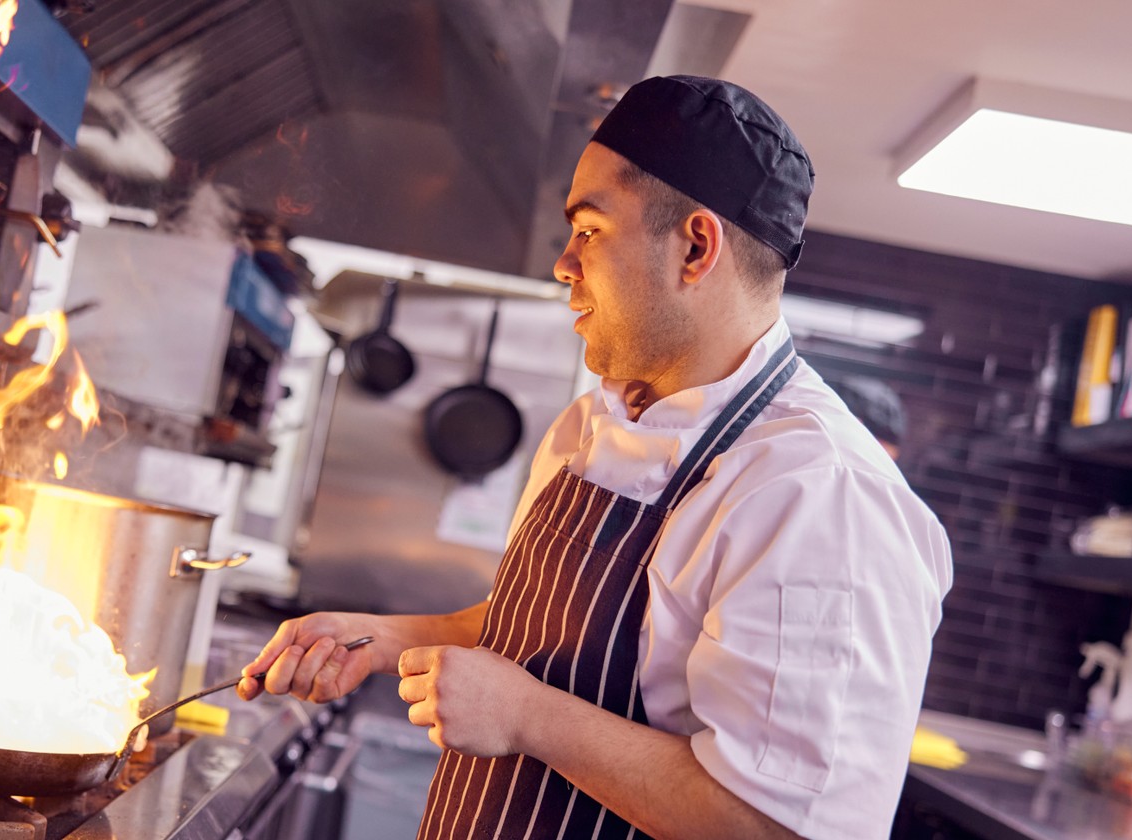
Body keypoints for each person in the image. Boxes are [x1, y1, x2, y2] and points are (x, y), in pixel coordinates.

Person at [236, 75, 952, 840]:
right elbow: (542, 635)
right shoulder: (591, 425)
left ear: (696, 246)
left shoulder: (820, 496)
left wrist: (526, 717)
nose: (563, 264)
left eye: (591, 230)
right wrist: (384, 637)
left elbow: (779, 828)